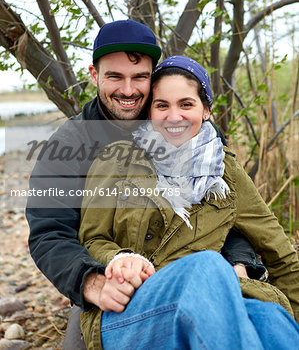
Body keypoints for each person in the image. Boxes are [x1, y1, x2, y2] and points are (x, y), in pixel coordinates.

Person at [25, 22, 263, 348]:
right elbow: (48, 233)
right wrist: (92, 283)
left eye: (140, 77)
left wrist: (239, 261)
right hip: (108, 280)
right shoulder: (67, 146)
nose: (128, 90)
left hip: (197, 274)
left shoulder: (192, 132)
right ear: (94, 75)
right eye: (114, 77)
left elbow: (228, 210)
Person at [78, 56, 299, 349]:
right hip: (132, 307)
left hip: (215, 298)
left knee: (270, 316)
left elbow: (282, 255)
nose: (173, 117)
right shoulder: (117, 158)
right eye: (162, 105)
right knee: (206, 265)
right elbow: (92, 238)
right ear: (150, 111)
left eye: (186, 104)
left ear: (205, 110)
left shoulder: (226, 171)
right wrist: (120, 260)